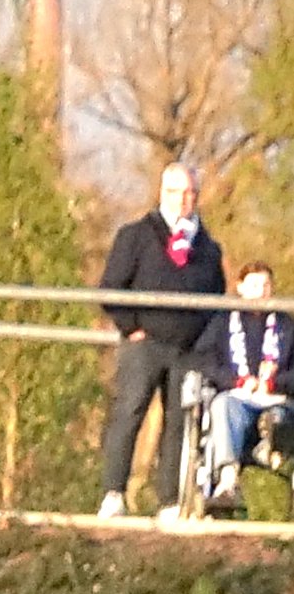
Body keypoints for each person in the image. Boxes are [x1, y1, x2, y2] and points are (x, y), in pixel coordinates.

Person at [97, 164, 229, 520]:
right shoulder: (136, 236)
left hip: (189, 351)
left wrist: (204, 342)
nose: (183, 201)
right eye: (175, 192)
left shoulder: (208, 247)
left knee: (179, 424)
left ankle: (169, 500)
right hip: (145, 344)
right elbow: (111, 288)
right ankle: (113, 493)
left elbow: (219, 299)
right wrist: (131, 326)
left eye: (189, 193)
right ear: (162, 193)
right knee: (129, 413)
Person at [194, 263, 284, 515]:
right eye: (254, 285)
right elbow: (206, 361)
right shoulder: (223, 322)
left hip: (277, 399)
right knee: (223, 405)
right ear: (241, 288)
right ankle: (228, 478)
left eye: (266, 285)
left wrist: (274, 381)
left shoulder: (286, 324)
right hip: (237, 397)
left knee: (279, 416)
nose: (260, 291)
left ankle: (270, 442)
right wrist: (238, 382)